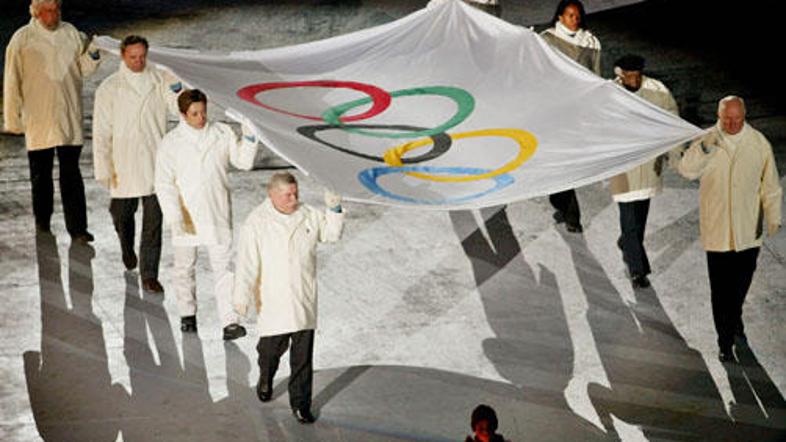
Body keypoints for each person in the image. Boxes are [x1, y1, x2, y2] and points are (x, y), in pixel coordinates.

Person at [233, 172, 344, 424]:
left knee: (302, 358)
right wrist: (241, 297)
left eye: (296, 193)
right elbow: (246, 264)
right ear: (271, 194)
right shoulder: (256, 222)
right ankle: (266, 375)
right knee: (271, 350)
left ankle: (301, 404)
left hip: (303, 296)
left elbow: (331, 234)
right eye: (287, 195)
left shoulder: (308, 214)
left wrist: (334, 208)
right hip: (274, 299)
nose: (294, 199)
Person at [678, 96, 781, 363]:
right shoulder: (707, 140)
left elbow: (770, 185)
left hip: (748, 231)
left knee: (740, 286)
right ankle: (724, 340)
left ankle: (734, 318)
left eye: (737, 119)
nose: (732, 124)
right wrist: (705, 148)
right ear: (719, 115)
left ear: (744, 115)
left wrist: (773, 217)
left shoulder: (758, 143)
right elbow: (686, 170)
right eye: (727, 119)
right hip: (717, 231)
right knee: (720, 290)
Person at [155, 89, 258, 340]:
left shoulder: (222, 133)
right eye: (194, 114)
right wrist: (174, 217)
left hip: (216, 211)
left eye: (203, 112)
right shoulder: (171, 142)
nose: (201, 117)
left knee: (224, 269)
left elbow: (243, 162)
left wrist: (250, 136)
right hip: (186, 215)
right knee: (184, 267)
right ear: (182, 114)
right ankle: (187, 314)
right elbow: (163, 183)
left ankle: (230, 321)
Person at [3, 0, 101, 241]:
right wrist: (12, 118)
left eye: (56, 9)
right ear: (36, 13)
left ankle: (78, 229)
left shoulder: (71, 33)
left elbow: (83, 69)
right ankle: (43, 223)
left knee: (71, 175)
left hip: (68, 114)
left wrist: (94, 53)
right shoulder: (22, 39)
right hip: (39, 117)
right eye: (47, 10)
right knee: (41, 175)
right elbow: (12, 80)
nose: (53, 14)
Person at [93, 35, 183, 293]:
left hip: (156, 160)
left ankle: (149, 275)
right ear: (122, 56)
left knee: (153, 221)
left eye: (142, 56)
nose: (138, 61)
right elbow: (101, 132)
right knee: (121, 214)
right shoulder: (109, 88)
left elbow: (178, 107)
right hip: (124, 162)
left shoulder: (160, 79)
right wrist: (104, 167)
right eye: (133, 57)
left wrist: (178, 84)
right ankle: (126, 246)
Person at [609, 54, 679, 289]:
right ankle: (638, 269)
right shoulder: (611, 94)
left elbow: (672, 122)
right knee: (629, 217)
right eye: (628, 76)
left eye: (637, 76)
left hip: (649, 164)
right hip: (624, 166)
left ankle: (627, 243)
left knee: (639, 216)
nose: (633, 80)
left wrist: (675, 157)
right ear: (621, 74)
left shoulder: (657, 91)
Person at [540, 0, 601, 233]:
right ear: (560, 17)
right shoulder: (548, 39)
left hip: (578, 113)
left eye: (577, 16)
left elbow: (596, 75)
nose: (574, 19)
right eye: (570, 15)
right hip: (554, 109)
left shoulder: (592, 43)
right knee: (557, 161)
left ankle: (568, 210)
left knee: (569, 163)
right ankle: (565, 206)